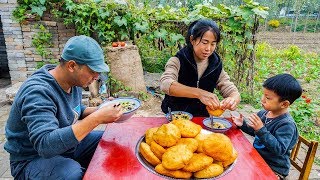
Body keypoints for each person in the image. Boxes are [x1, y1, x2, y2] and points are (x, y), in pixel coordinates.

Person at [4, 35, 123, 179]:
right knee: (71, 173)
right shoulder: (38, 92)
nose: (97, 76)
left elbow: (75, 111)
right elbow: (45, 145)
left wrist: (103, 110)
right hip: (31, 158)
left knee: (109, 140)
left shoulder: (73, 82)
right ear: (72, 66)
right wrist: (97, 119)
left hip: (63, 147)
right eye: (93, 71)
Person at [160, 19, 240, 116]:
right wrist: (199, 93)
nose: (208, 48)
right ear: (192, 40)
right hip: (175, 116)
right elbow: (166, 84)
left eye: (213, 44)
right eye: (204, 42)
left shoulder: (215, 65)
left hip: (201, 118)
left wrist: (233, 100)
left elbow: (231, 90)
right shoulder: (178, 60)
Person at [231, 73, 302, 179]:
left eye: (268, 98)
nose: (262, 99)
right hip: (257, 158)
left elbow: (279, 149)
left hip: (274, 168)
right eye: (263, 94)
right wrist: (242, 125)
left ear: (284, 104)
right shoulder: (264, 113)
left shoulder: (286, 125)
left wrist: (261, 129)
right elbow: (255, 131)